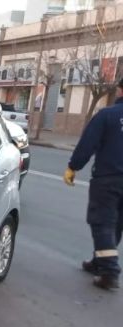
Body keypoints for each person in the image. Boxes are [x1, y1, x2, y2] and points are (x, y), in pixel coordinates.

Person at [64, 77, 123, 290]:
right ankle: (100, 261)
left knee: (103, 223)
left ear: (120, 90)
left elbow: (87, 143)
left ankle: (109, 272)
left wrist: (73, 167)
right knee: (116, 225)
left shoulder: (108, 115)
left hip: (108, 179)